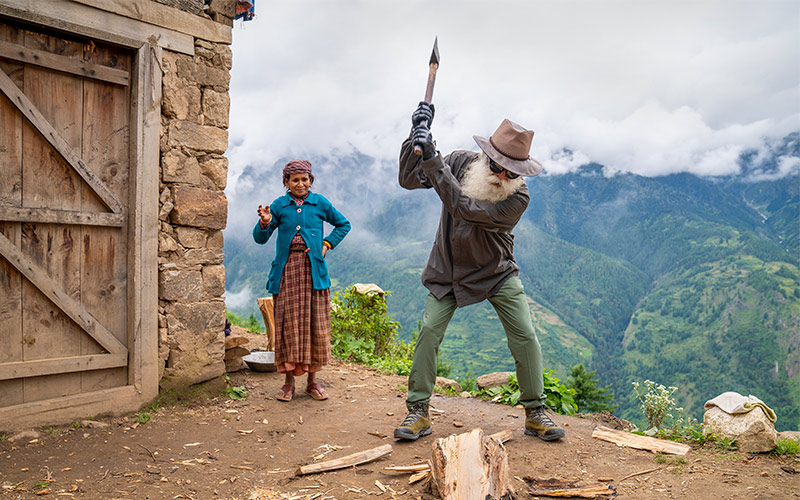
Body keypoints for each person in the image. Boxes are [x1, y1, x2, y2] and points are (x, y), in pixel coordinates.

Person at [394, 102, 565, 442]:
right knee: (429, 332)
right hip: (448, 269)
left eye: (511, 172)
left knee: (525, 336)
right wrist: (415, 137)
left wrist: (431, 157)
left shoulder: (519, 199)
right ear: (485, 154)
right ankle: (418, 411)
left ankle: (535, 412)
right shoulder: (458, 162)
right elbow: (409, 179)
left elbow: (462, 207)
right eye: (497, 166)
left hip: (496, 272)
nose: (502, 176)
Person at [253, 159, 351, 402]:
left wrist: (327, 244)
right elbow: (260, 238)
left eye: (304, 179)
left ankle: (312, 382)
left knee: (314, 325)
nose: (300, 184)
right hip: (287, 272)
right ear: (286, 182)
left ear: (311, 181)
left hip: (314, 273)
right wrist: (265, 222)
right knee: (288, 326)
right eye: (295, 180)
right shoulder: (279, 206)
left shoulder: (320, 203)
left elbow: (343, 224)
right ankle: (288, 384)